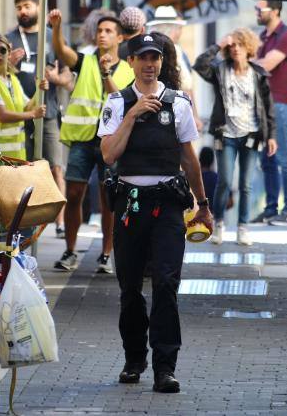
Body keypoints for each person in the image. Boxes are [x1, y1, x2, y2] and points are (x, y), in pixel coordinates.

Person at [98, 33, 212, 394]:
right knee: (130, 287)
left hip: (167, 206)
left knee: (166, 284)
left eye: (156, 57)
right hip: (130, 204)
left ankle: (165, 366)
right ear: (130, 62)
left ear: (162, 62)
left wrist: (203, 205)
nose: (150, 63)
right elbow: (108, 155)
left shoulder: (178, 103)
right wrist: (132, 114)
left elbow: (188, 157)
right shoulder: (117, 103)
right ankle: (134, 359)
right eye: (143, 57)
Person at [49, 9, 135, 273]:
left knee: (109, 199)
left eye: (109, 31)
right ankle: (70, 251)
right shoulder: (85, 61)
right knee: (74, 194)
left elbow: (121, 99)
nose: (102, 35)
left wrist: (107, 73)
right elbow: (62, 51)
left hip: (111, 142)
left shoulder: (128, 69)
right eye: (99, 31)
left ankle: (106, 253)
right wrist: (56, 27)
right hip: (83, 140)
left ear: (120, 37)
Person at [194, 28, 276, 246]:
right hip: (226, 133)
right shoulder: (221, 70)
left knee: (246, 184)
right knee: (224, 181)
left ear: (248, 47)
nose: (236, 49)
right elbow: (200, 64)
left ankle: (242, 227)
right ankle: (219, 223)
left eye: (239, 45)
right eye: (232, 46)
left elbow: (268, 108)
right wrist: (219, 45)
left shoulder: (258, 74)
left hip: (252, 134)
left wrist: (272, 135)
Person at [7, 0, 71, 235]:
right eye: (19, 7)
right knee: (23, 166)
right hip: (19, 113)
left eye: (27, 6)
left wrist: (57, 78)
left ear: (37, 8)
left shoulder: (50, 38)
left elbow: (69, 76)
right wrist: (8, 64)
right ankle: (25, 219)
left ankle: (60, 222)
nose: (23, 11)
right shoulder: (9, 39)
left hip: (49, 111)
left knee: (56, 166)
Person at [252, 0, 287, 226]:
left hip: (280, 104)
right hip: (262, 106)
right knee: (267, 159)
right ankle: (271, 209)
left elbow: (265, 65)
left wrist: (244, 63)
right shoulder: (264, 37)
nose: (257, 12)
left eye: (261, 8)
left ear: (276, 9)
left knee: (284, 158)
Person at [0, 34, 47, 165]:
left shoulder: (13, 80)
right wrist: (33, 114)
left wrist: (39, 90)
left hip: (15, 156)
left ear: (9, 52)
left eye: (2, 50)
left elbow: (27, 107)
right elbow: (2, 115)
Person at [148, 5, 203, 131]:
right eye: (179, 28)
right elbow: (186, 87)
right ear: (172, 28)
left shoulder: (147, 47)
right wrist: (194, 116)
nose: (180, 32)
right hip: (173, 111)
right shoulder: (175, 51)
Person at [199, 147, 219, 213]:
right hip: (213, 217)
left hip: (195, 216)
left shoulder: (192, 177)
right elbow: (230, 202)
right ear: (212, 160)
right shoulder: (217, 178)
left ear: (199, 158)